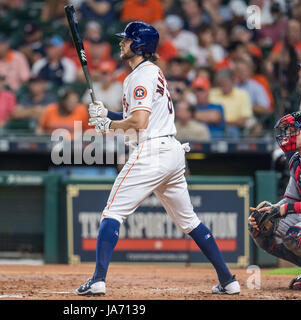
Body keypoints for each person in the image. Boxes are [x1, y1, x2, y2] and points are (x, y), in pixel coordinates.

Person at [78, 21, 240, 296]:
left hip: (152, 151)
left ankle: (97, 279)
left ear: (139, 45)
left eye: (126, 40)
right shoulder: (151, 73)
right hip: (172, 152)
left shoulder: (140, 76)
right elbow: (141, 118)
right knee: (190, 222)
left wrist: (109, 126)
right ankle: (228, 280)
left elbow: (139, 122)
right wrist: (108, 115)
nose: (121, 43)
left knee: (112, 213)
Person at [249, 111, 301, 290]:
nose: (287, 136)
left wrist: (288, 208)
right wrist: (271, 210)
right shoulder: (297, 160)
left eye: (293, 131)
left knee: (296, 235)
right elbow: (289, 200)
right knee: (262, 226)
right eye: (287, 131)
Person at [209, 68, 253, 138]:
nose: (223, 85)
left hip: (234, 127)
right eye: (221, 83)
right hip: (212, 127)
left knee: (231, 132)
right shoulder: (212, 93)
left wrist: (224, 123)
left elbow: (244, 118)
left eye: (226, 82)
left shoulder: (242, 94)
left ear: (232, 81)